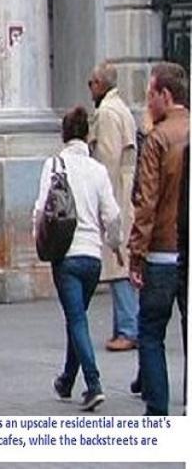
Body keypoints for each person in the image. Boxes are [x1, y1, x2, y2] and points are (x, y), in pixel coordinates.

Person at [36, 105, 121, 411]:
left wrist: (40, 240)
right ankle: (67, 379)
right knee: (78, 317)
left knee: (76, 318)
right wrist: (115, 244)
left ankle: (94, 383)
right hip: (93, 257)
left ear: (64, 134)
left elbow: (40, 210)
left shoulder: (54, 165)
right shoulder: (98, 170)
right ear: (87, 135)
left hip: (67, 256)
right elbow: (112, 215)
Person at [127, 61, 189, 416]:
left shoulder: (158, 139)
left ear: (166, 96)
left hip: (163, 252)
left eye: (150, 95)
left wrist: (137, 255)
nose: (147, 103)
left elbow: (146, 202)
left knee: (151, 332)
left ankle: (157, 411)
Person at [87, 62, 139, 352]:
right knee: (121, 259)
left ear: (101, 85)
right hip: (124, 189)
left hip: (117, 192)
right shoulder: (120, 107)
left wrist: (100, 198)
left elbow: (107, 159)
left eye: (92, 83)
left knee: (118, 260)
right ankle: (125, 325)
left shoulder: (106, 113)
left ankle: (128, 327)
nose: (90, 88)